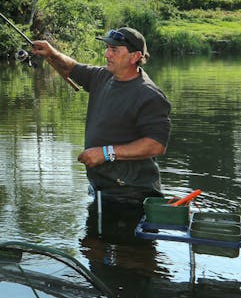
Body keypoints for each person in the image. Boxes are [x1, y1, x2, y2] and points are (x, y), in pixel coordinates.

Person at [31, 27, 172, 208]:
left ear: (135, 57)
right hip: (103, 189)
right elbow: (71, 68)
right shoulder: (103, 76)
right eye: (107, 48)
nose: (107, 54)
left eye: (114, 50)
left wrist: (105, 153)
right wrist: (51, 53)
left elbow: (156, 145)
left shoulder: (149, 95)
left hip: (131, 195)